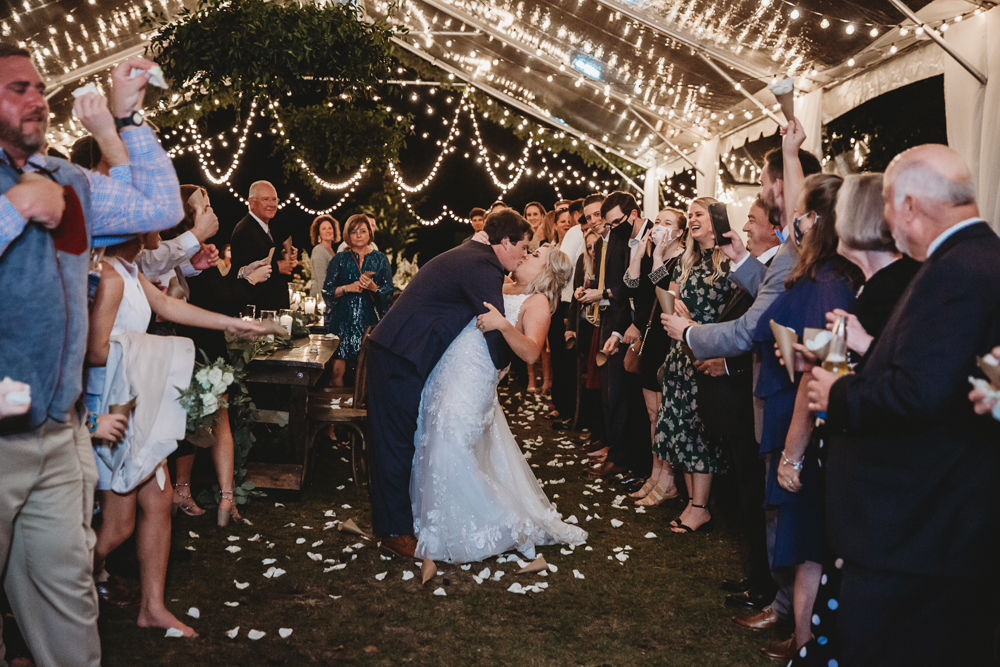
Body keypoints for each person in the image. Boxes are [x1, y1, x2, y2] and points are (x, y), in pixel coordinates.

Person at [0, 47, 183, 667]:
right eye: (16, 88)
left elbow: (157, 208)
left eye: (39, 88)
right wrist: (15, 208)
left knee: (70, 603)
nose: (36, 100)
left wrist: (124, 123)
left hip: (58, 432)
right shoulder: (26, 190)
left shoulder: (66, 178)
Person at [805, 145, 1000, 667]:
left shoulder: (955, 270)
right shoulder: (978, 260)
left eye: (890, 205)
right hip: (935, 528)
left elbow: (919, 392)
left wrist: (836, 394)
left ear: (909, 205)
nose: (888, 222)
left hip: (918, 533)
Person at [662, 124, 823, 646]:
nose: (759, 195)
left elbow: (754, 326)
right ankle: (775, 597)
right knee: (770, 504)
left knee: (778, 505)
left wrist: (689, 332)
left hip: (780, 392)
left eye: (765, 187)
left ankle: (783, 606)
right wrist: (742, 261)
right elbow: (765, 293)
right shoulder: (788, 257)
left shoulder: (803, 258)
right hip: (770, 390)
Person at [86, 230, 266, 638]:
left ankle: (151, 607)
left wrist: (235, 324)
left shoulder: (129, 271)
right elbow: (95, 350)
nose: (158, 233)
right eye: (152, 225)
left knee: (162, 499)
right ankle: (43, 584)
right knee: (117, 528)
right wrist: (157, 354)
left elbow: (167, 305)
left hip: (138, 402)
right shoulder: (110, 277)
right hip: (116, 408)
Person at [786, 173, 920, 666]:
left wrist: (840, 366)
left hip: (871, 468)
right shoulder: (874, 285)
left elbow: (901, 380)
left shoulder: (894, 287)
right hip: (853, 458)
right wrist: (822, 356)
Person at [366, 209, 531, 558]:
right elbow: (492, 319)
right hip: (400, 354)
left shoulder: (471, 255)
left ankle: (396, 520)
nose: (524, 256)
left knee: (398, 439)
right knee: (394, 443)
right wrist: (501, 366)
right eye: (523, 247)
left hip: (400, 350)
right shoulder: (483, 264)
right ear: (505, 242)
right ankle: (394, 532)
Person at [411, 243, 586, 562]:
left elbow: (532, 352)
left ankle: (508, 525)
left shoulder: (538, 303)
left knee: (452, 443)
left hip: (476, 378)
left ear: (546, 272)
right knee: (434, 435)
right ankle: (439, 521)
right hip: (448, 367)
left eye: (535, 256)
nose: (527, 255)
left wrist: (503, 324)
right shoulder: (500, 284)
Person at [701, 196, 781, 612]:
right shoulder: (759, 267)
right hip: (743, 401)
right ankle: (758, 577)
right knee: (751, 496)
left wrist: (691, 333)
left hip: (758, 397)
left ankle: (768, 587)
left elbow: (751, 332)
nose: (745, 226)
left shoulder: (781, 269)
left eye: (752, 219)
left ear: (777, 226)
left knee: (759, 497)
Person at [653, 198, 732, 532]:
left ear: (716, 220)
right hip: (678, 354)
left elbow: (734, 314)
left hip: (705, 355)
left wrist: (695, 325)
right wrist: (675, 313)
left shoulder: (728, 261)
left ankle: (701, 506)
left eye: (699, 214)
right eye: (692, 215)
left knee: (698, 434)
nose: (693, 219)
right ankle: (691, 502)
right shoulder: (688, 259)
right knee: (679, 430)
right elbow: (668, 300)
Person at [589, 192, 653, 483]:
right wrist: (618, 328)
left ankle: (639, 464)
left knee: (641, 405)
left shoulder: (653, 238)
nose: (612, 228)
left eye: (617, 222)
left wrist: (636, 324)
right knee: (620, 395)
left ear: (635, 213)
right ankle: (623, 456)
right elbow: (626, 288)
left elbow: (651, 292)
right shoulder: (616, 238)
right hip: (622, 324)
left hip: (647, 327)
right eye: (610, 224)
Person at [624, 207, 685, 506]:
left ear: (680, 232)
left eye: (668, 223)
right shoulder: (653, 256)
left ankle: (668, 480)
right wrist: (641, 251)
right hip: (650, 338)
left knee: (664, 416)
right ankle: (655, 473)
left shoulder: (681, 259)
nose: (660, 226)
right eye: (658, 221)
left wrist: (659, 256)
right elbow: (631, 285)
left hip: (668, 339)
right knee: (652, 415)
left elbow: (666, 295)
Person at [323, 214, 392, 386]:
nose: (359, 235)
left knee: (367, 373)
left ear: (370, 233)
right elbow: (327, 291)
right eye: (354, 232)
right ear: (348, 235)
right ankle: (338, 409)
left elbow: (389, 291)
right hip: (341, 323)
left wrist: (373, 288)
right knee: (336, 372)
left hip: (368, 322)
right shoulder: (339, 259)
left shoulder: (380, 259)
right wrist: (348, 288)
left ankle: (363, 410)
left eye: (363, 231)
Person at [229, 180, 296, 311]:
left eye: (274, 199)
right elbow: (245, 272)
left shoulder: (261, 227)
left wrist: (282, 255)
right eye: (266, 199)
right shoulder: (245, 230)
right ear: (251, 201)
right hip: (260, 313)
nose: (272, 204)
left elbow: (262, 255)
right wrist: (278, 267)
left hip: (270, 309)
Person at [310, 214, 339, 298]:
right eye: (324, 228)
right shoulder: (318, 250)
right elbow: (321, 280)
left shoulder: (332, 251)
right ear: (318, 233)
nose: (328, 231)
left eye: (330, 228)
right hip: (321, 298)